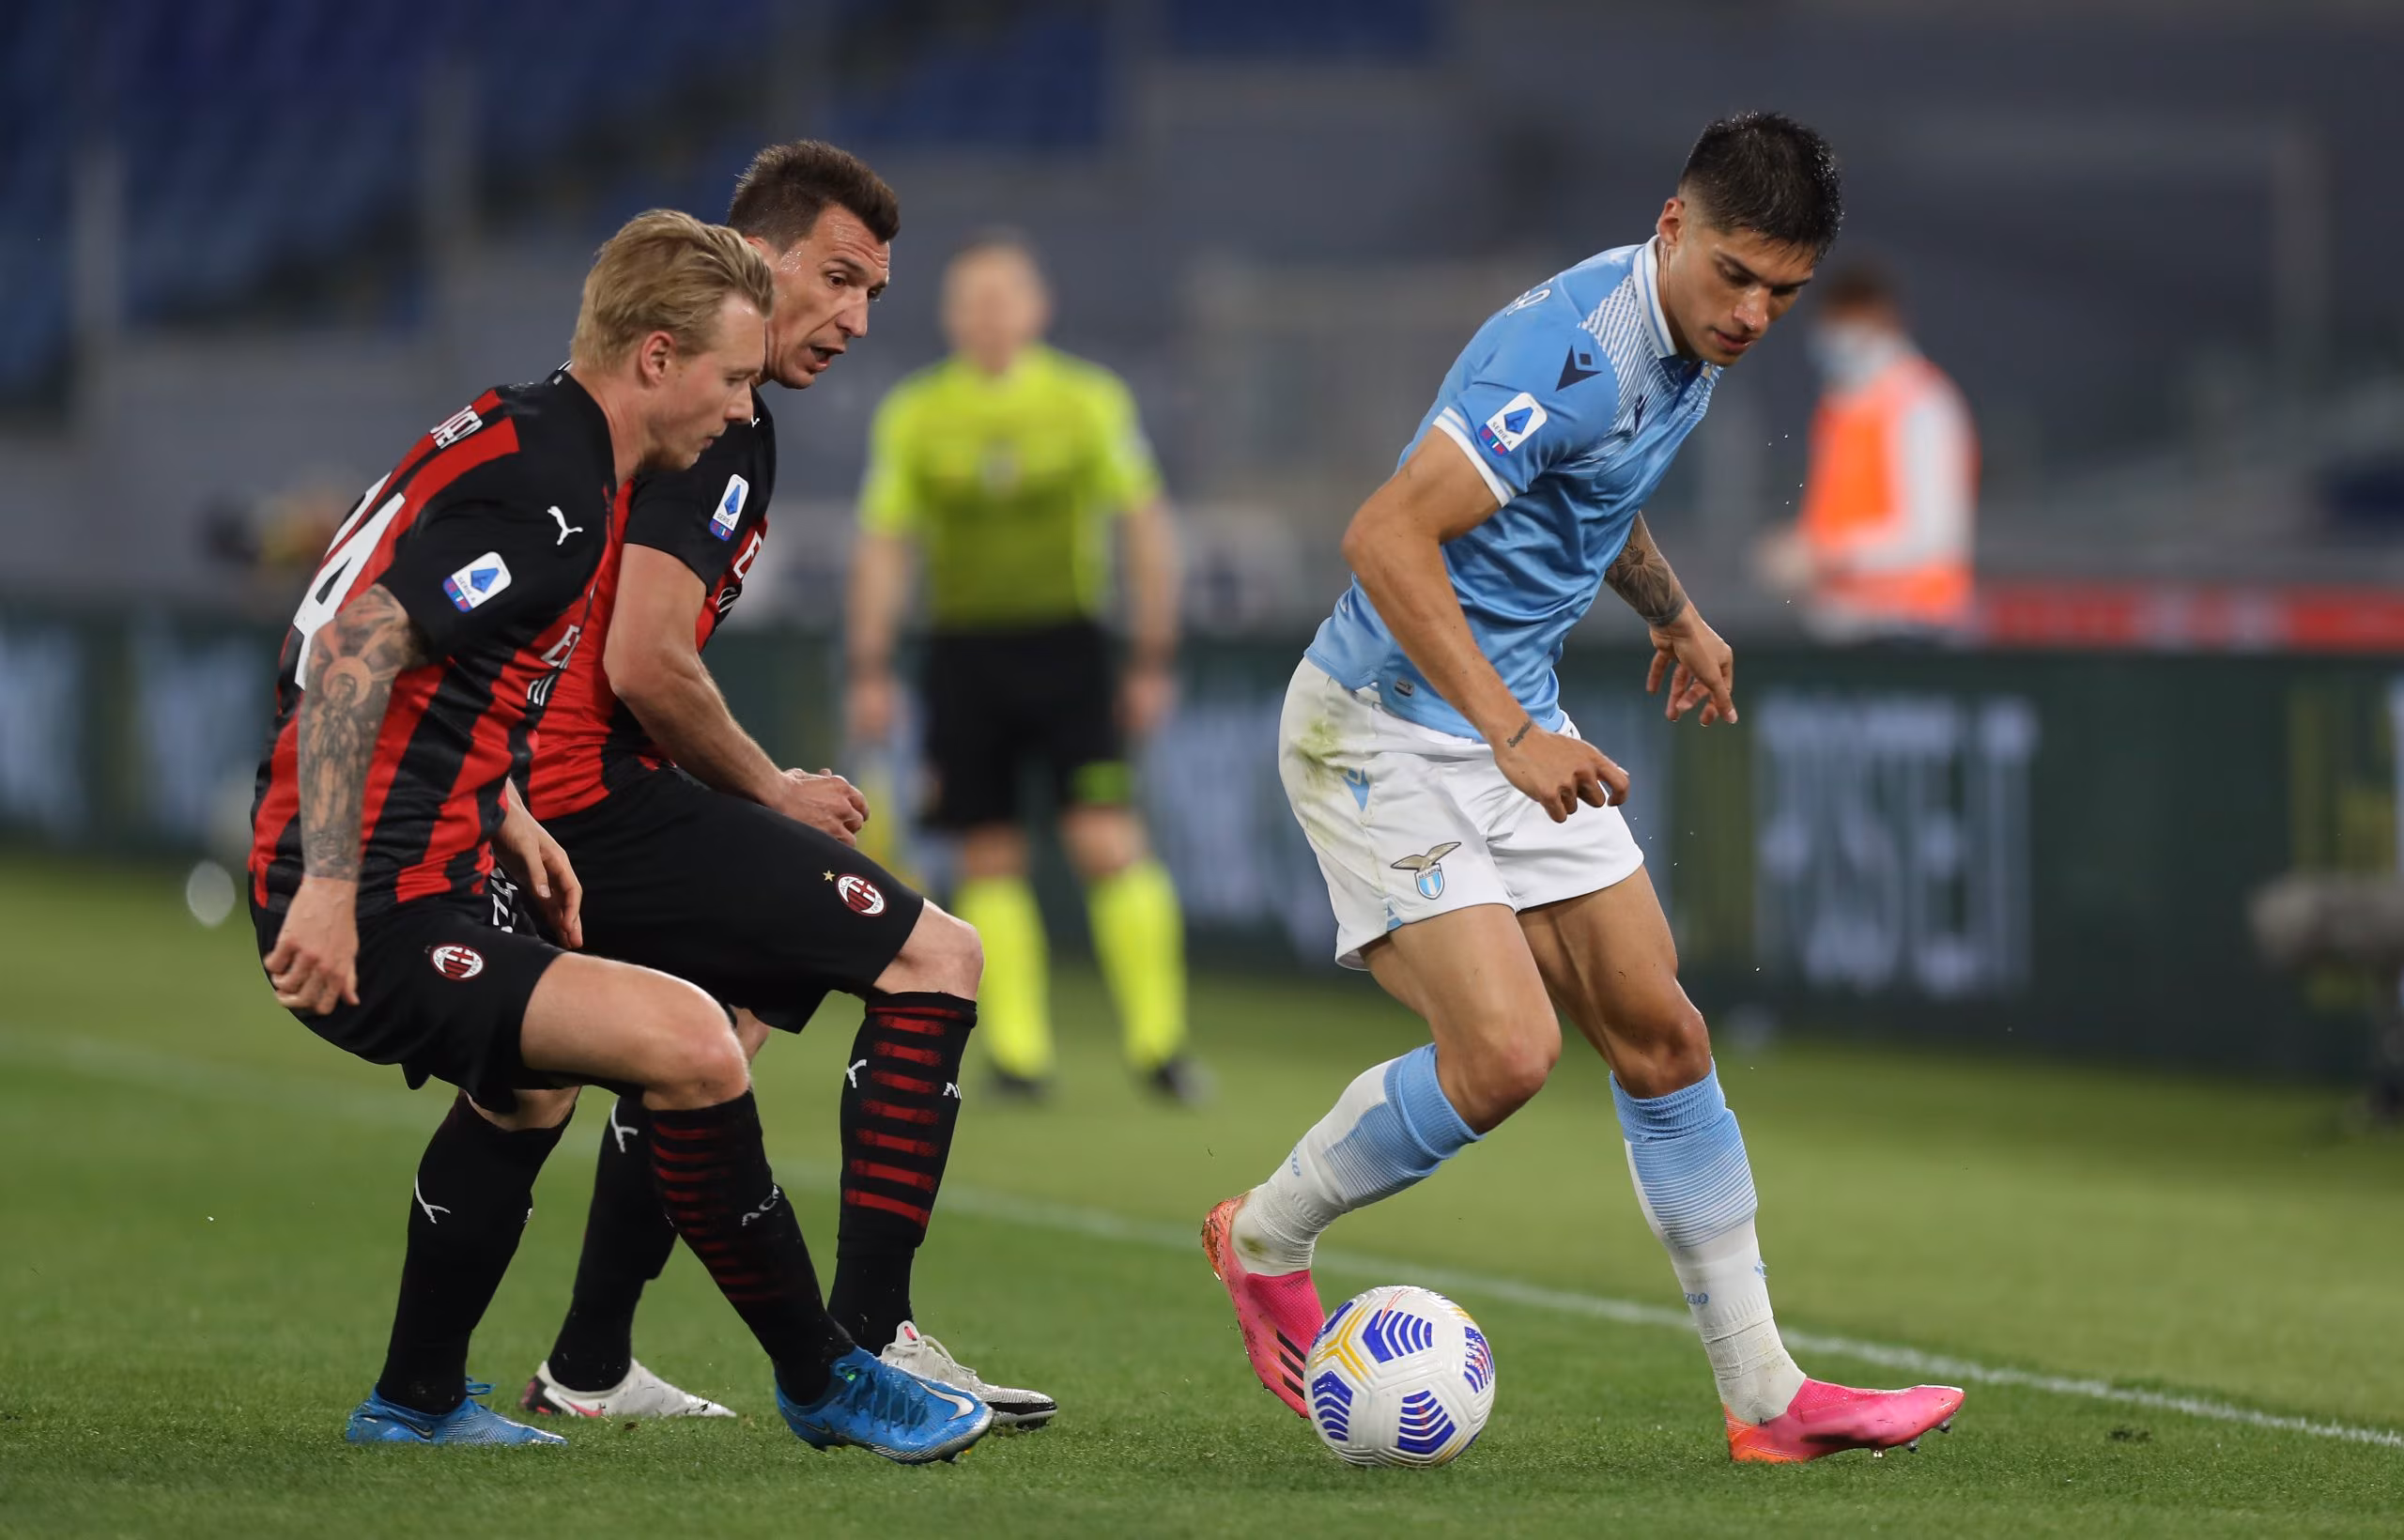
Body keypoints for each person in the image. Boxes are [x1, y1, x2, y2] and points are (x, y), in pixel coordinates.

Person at [1199, 114, 1965, 1463]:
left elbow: (1583, 496)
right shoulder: (1569, 355)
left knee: (1664, 1035)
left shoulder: (1683, 340)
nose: (1755, 314)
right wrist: (1506, 732)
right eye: (1734, 275)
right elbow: (1384, 533)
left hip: (1511, 724)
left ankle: (1768, 1400)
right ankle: (1264, 1236)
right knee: (1503, 1059)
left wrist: (1672, 611)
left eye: (1782, 294)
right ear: (1673, 224)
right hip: (1380, 726)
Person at [248, 209, 992, 1462]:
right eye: (732, 377)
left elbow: (391, 656)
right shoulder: (556, 499)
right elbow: (353, 649)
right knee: (695, 1040)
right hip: (372, 896)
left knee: (532, 1082)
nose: (740, 409)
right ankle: (825, 1378)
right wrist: (326, 885)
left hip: (429, 860)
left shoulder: (523, 431)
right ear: (656, 357)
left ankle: (418, 1401)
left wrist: (504, 809)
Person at [514, 143, 1051, 1427]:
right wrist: (768, 787)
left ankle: (588, 1366)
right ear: (758, 255)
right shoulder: (723, 415)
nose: (857, 319)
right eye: (838, 278)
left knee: (709, 1026)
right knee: (938, 958)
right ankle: (871, 1339)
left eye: (874, 293)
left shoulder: (646, 391)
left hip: (543, 791)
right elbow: (646, 658)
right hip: (589, 799)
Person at [846, 233, 1200, 1103]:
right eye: (973, 300)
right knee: (987, 855)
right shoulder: (918, 413)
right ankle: (1018, 1056)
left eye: (1005, 298)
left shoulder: (1087, 402)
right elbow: (886, 547)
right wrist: (871, 666)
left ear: (1038, 309)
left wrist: (1154, 652)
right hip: (964, 656)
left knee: (1106, 839)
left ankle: (1161, 1047)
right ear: (950, 315)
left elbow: (1143, 526)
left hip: (1068, 649)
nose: (990, 315)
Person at [1756, 262, 1978, 640]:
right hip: (1845, 629)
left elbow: (1935, 540)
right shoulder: (1839, 408)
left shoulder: (1922, 405)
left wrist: (1824, 557)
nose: (1836, 340)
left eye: (1848, 325)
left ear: (1884, 322)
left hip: (1915, 633)